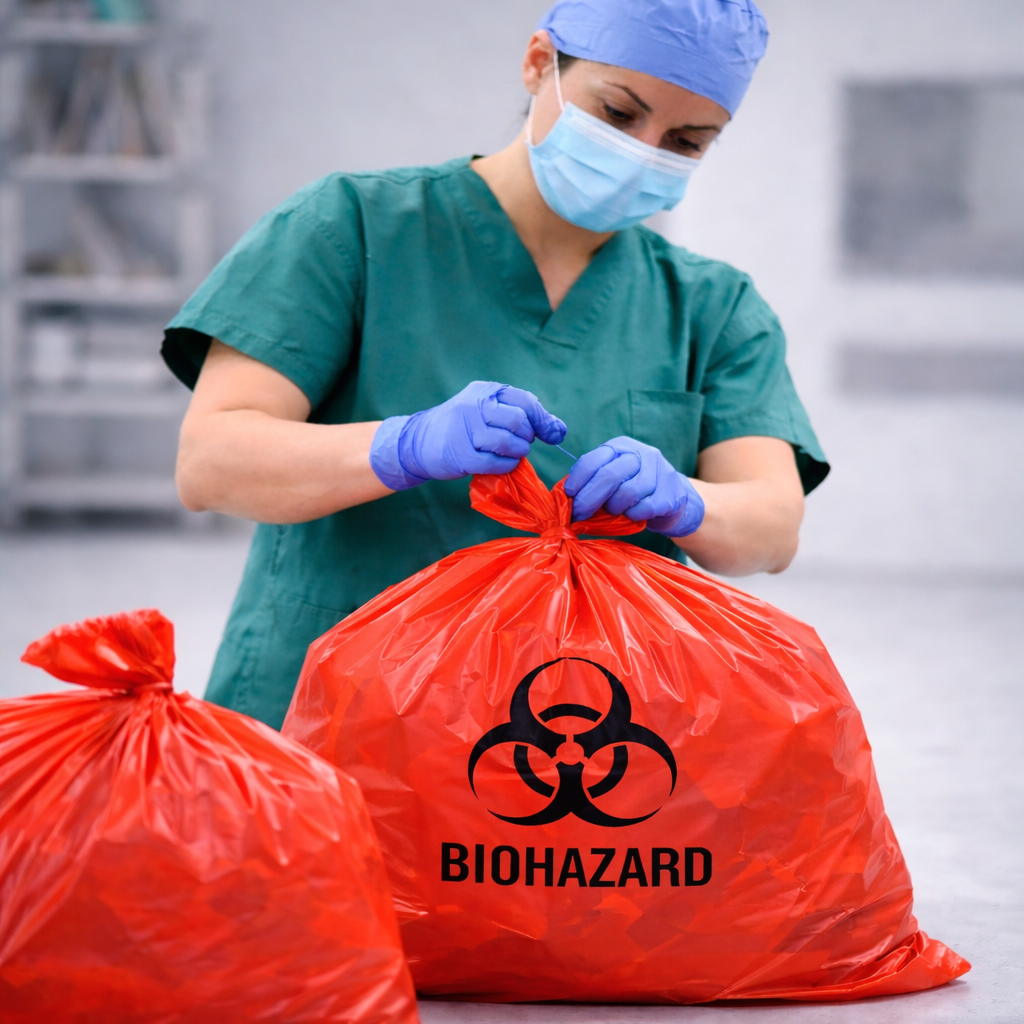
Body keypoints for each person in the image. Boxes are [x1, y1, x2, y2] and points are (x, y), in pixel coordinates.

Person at [164, 0, 829, 729]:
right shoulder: (352, 228)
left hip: (563, 742)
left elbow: (772, 529)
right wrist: (401, 446)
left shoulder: (712, 308)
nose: (643, 152)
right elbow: (211, 462)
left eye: (686, 141)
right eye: (617, 113)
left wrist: (687, 503)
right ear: (539, 62)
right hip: (330, 720)